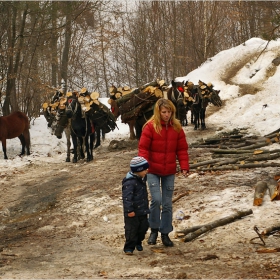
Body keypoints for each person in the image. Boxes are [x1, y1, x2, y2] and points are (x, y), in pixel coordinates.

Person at [138, 98, 189, 247]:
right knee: (156, 200)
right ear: (158, 112)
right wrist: (143, 167)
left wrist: (184, 166)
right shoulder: (150, 127)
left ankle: (165, 233)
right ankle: (154, 230)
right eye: (164, 112)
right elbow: (143, 149)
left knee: (167, 204)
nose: (167, 115)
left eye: (169, 112)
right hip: (152, 170)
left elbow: (182, 149)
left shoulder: (177, 127)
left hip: (169, 171)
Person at [122, 156, 150, 255]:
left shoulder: (141, 179)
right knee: (131, 230)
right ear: (138, 170)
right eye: (144, 169)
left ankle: (139, 241)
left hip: (142, 210)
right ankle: (129, 247)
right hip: (132, 212)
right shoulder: (129, 183)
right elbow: (127, 198)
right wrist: (129, 210)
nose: (147, 171)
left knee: (143, 227)